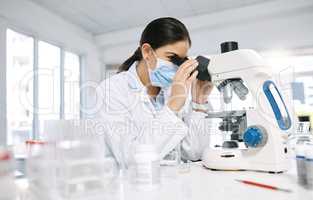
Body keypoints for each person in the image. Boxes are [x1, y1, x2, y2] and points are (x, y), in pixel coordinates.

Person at [96, 17, 214, 166]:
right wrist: (171, 108)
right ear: (147, 52)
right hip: (133, 186)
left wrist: (199, 103)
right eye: (172, 58)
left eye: (182, 60)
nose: (177, 67)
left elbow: (194, 153)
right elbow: (131, 159)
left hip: (172, 183)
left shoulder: (173, 90)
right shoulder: (111, 90)